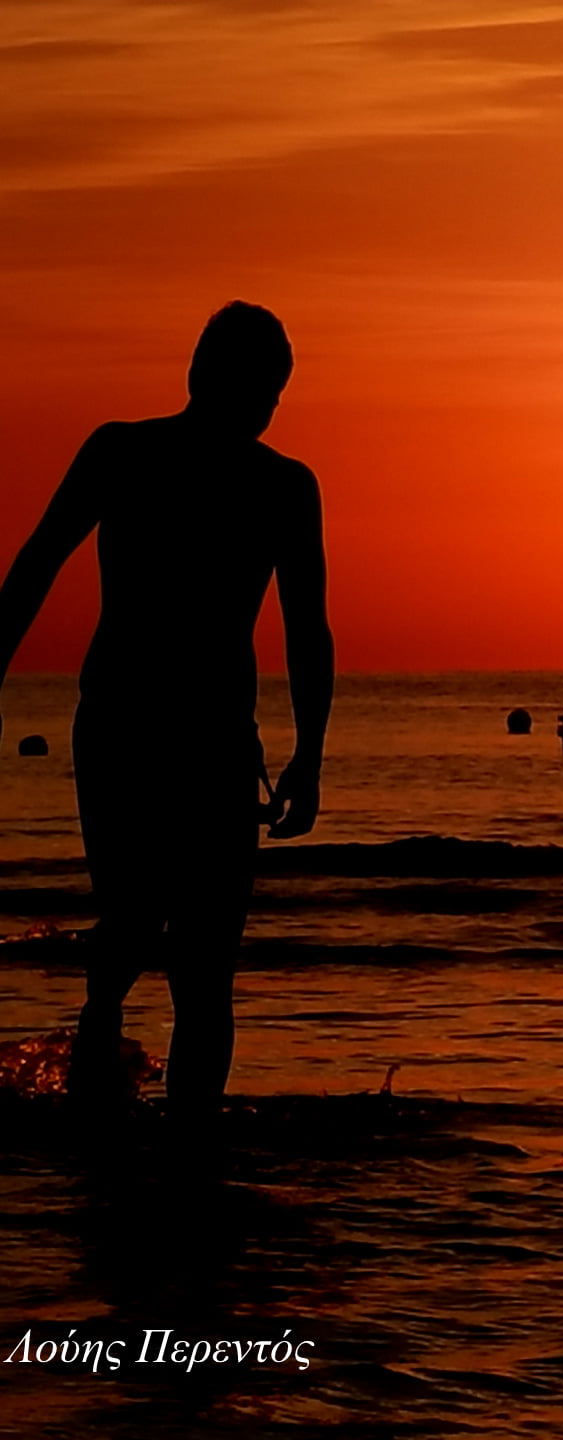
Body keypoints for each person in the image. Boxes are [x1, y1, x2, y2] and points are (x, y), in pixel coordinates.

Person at [0, 301, 334, 1120]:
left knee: (207, 961)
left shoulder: (284, 487)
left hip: (219, 739)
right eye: (251, 385)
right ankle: (101, 1020)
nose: (259, 405)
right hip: (122, 726)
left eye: (271, 392)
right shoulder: (122, 452)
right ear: (201, 377)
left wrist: (310, 754)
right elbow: (38, 562)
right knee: (135, 917)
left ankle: (192, 1146)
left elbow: (307, 629)